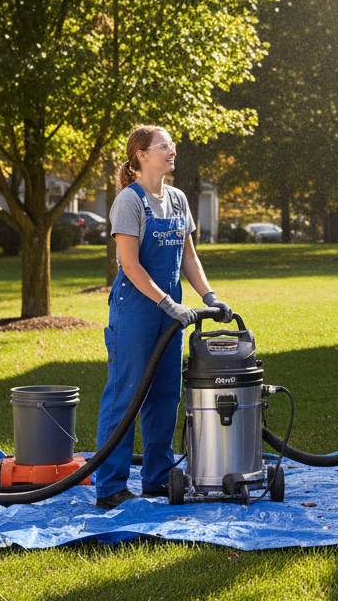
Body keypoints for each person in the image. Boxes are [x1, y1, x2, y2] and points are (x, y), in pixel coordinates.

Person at [93, 125, 234, 510]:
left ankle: (157, 478)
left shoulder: (177, 198)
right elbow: (131, 265)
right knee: (126, 395)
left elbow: (189, 257)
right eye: (164, 146)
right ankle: (109, 486)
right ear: (142, 155)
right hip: (136, 308)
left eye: (171, 145)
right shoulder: (129, 201)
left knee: (166, 394)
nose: (172, 150)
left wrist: (209, 296)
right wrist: (167, 304)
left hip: (171, 309)